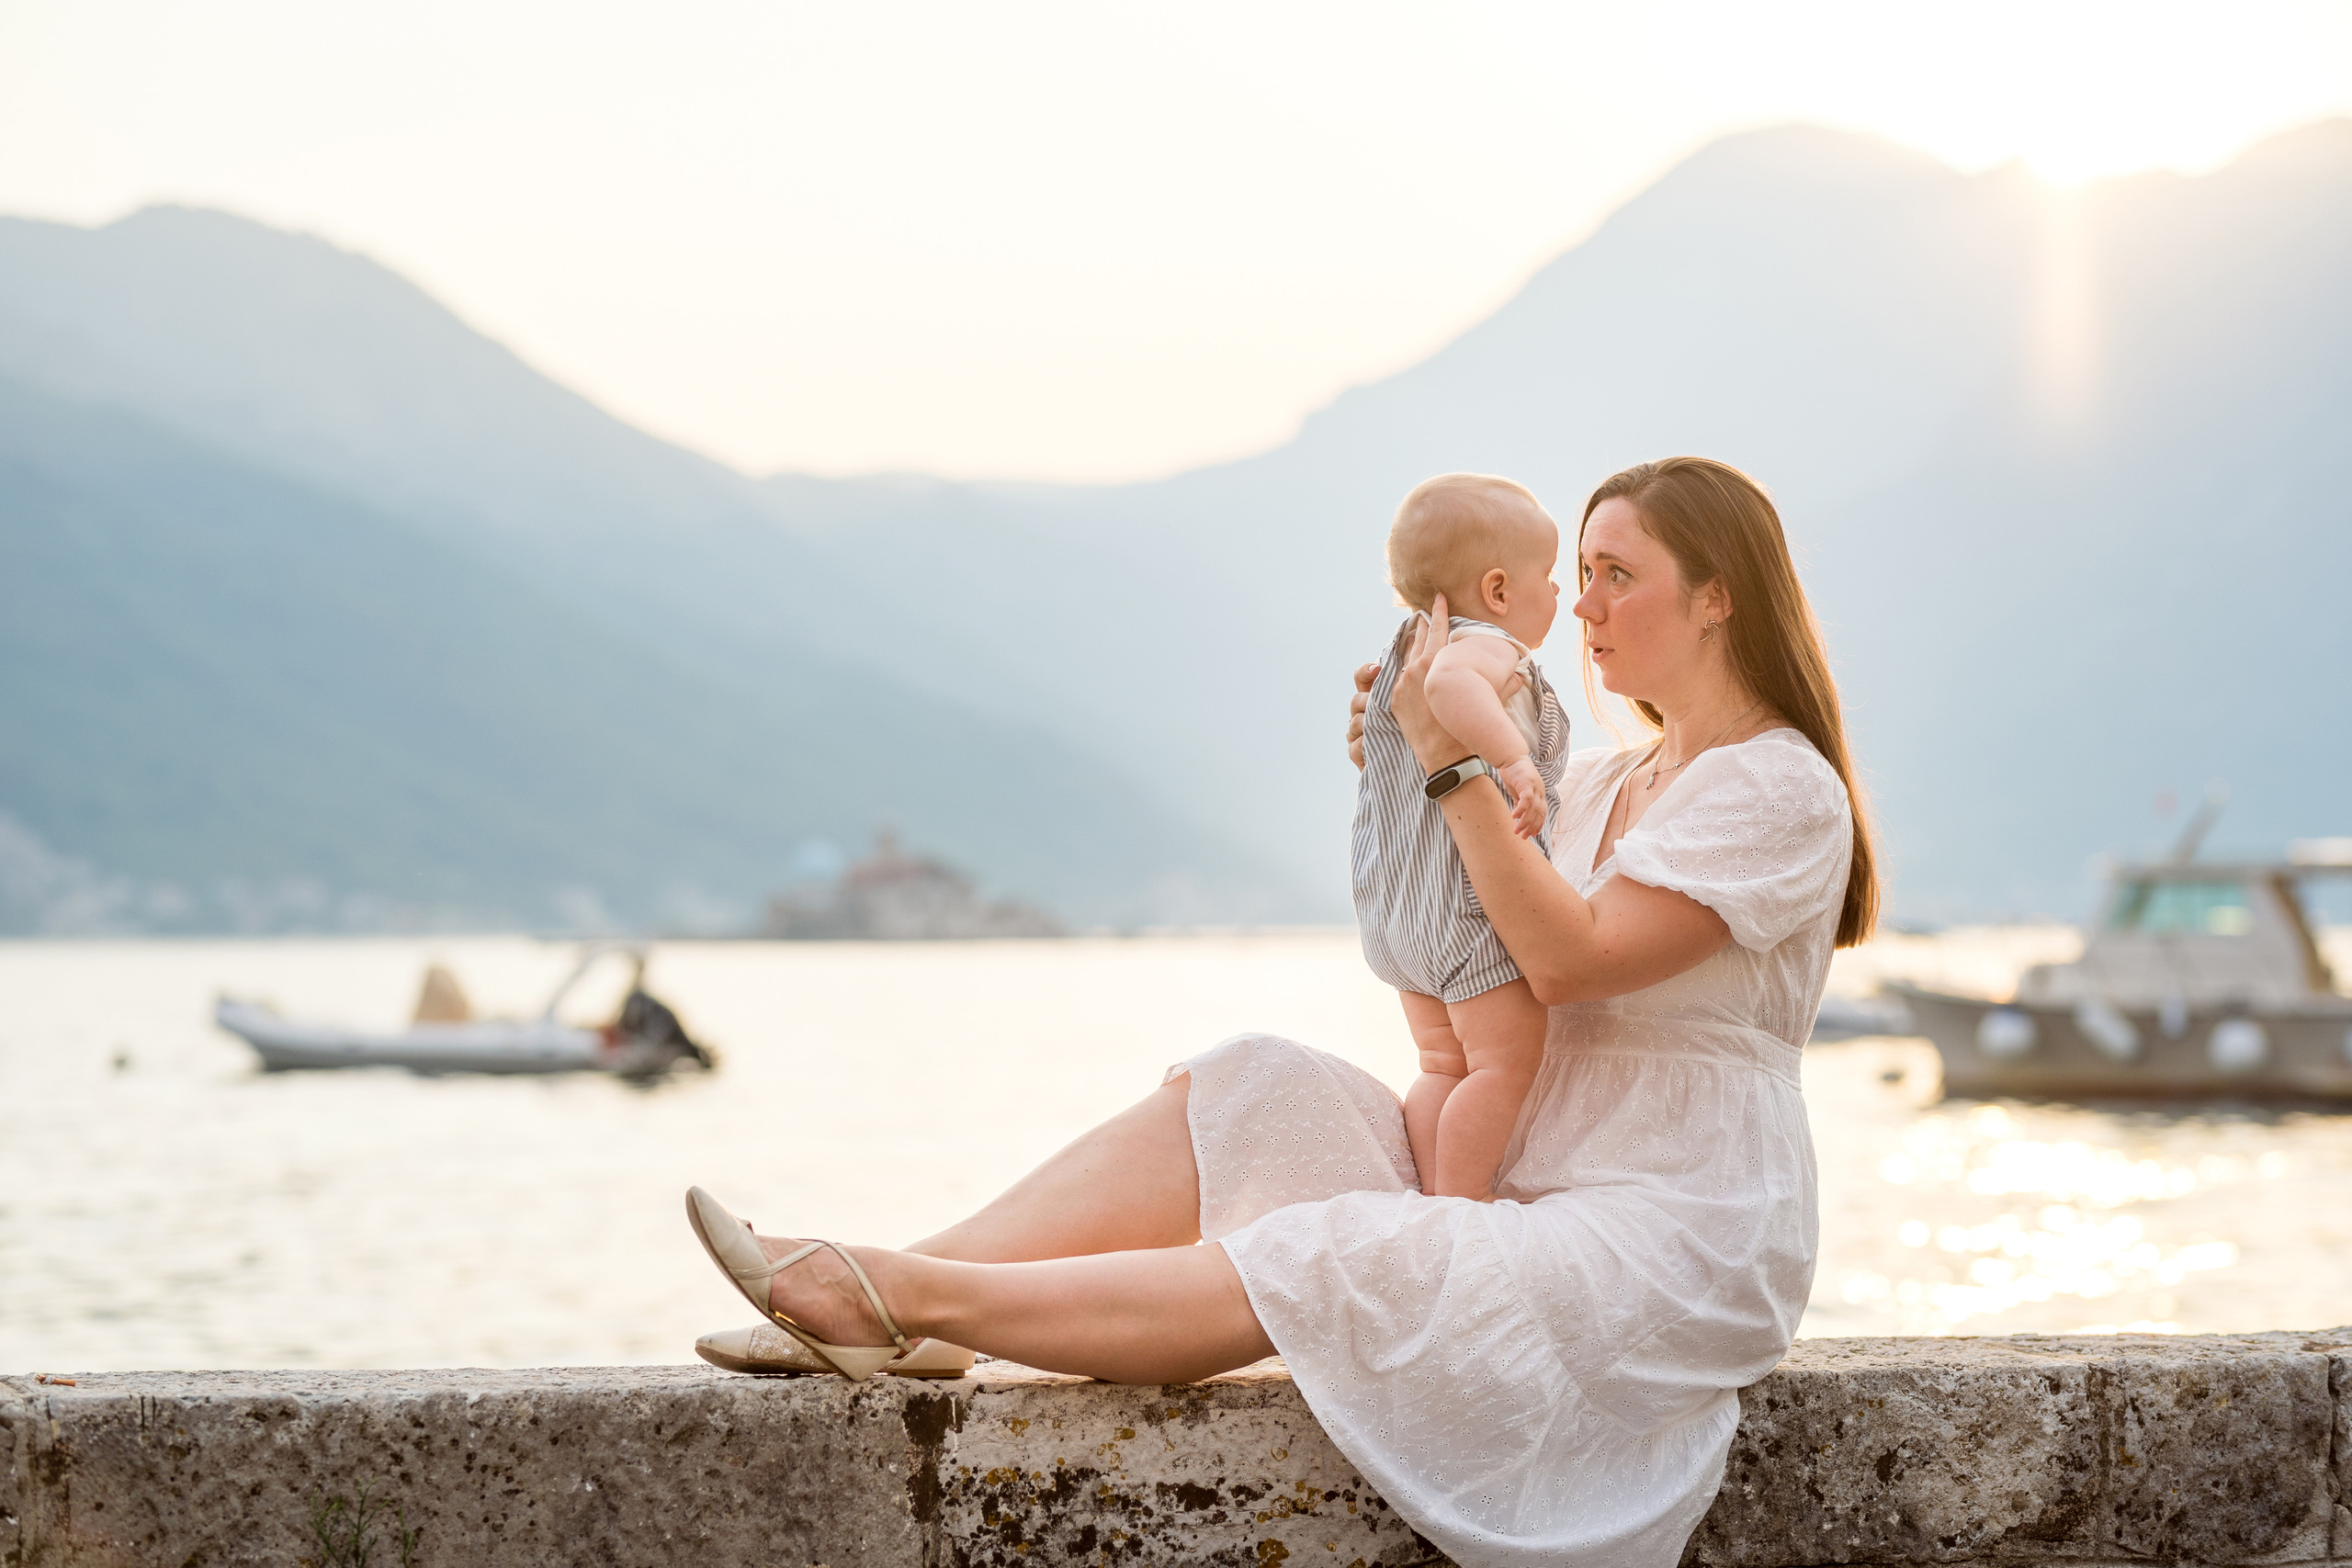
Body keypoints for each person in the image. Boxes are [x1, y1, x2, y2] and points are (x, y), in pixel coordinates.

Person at [683, 456, 1878, 1568]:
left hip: (1668, 1234)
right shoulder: (1606, 777)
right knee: (1250, 1073)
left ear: (1719, 596)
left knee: (1334, 1254)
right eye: (1586, 569)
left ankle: (901, 1289)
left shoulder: (1778, 785)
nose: (1586, 604)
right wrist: (1402, 761)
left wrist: (1453, 763)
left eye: (1620, 574)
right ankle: (917, 1296)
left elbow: (1565, 958)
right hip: (1516, 1173)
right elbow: (1467, 915)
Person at [1356, 472, 1569, 1199]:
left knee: (1441, 1066)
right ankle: (1460, 1210)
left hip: (1396, 907)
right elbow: (1453, 688)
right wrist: (1514, 762)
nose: (1563, 596)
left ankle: (1428, 1201)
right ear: (1500, 589)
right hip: (1465, 908)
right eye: (1550, 577)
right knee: (1503, 1065)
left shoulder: (1401, 653)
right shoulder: (1484, 646)